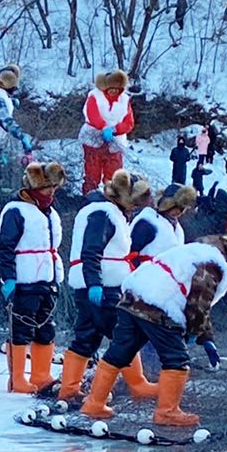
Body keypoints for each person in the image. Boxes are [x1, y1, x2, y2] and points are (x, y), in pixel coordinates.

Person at [83, 235, 227, 426]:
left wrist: (205, 337)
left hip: (132, 296)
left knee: (119, 352)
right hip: (160, 305)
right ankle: (167, 412)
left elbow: (199, 302)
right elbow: (199, 304)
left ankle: (94, 404)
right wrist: (195, 333)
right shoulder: (213, 266)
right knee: (176, 359)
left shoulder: (194, 251)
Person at [60, 170, 158, 403]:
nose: (136, 205)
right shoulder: (103, 214)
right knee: (123, 333)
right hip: (102, 285)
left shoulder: (110, 212)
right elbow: (91, 251)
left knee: (88, 336)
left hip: (99, 284)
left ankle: (69, 388)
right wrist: (95, 284)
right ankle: (136, 383)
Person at [0, 161, 65, 394]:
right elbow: (5, 247)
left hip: (47, 276)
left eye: (54, 188)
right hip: (25, 277)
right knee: (21, 328)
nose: (51, 193)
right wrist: (9, 278)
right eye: (48, 188)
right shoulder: (16, 211)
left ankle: (41, 375)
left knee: (45, 328)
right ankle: (17, 379)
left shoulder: (49, 212)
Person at [78, 69, 134, 191]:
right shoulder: (94, 96)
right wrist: (103, 127)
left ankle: (112, 200)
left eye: (116, 88)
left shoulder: (125, 100)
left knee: (114, 176)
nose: (113, 90)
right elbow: (92, 115)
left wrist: (115, 129)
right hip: (93, 139)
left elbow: (129, 123)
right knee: (92, 174)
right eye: (110, 88)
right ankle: (89, 199)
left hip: (115, 142)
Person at [128, 183, 195, 265]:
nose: (179, 211)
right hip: (143, 272)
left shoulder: (177, 228)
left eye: (182, 208)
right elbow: (131, 252)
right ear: (167, 204)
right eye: (176, 207)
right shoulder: (148, 222)